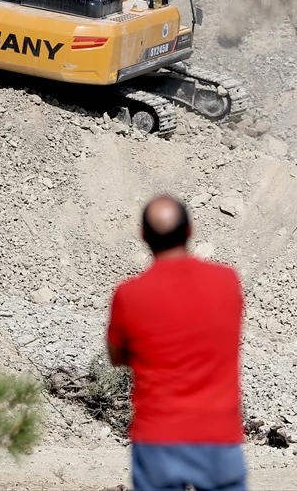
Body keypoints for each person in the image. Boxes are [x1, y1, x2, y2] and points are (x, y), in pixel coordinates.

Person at [106, 195, 247, 491]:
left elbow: (117, 357)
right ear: (190, 230)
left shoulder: (129, 294)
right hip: (217, 436)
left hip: (158, 438)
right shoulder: (227, 281)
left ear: (143, 235)